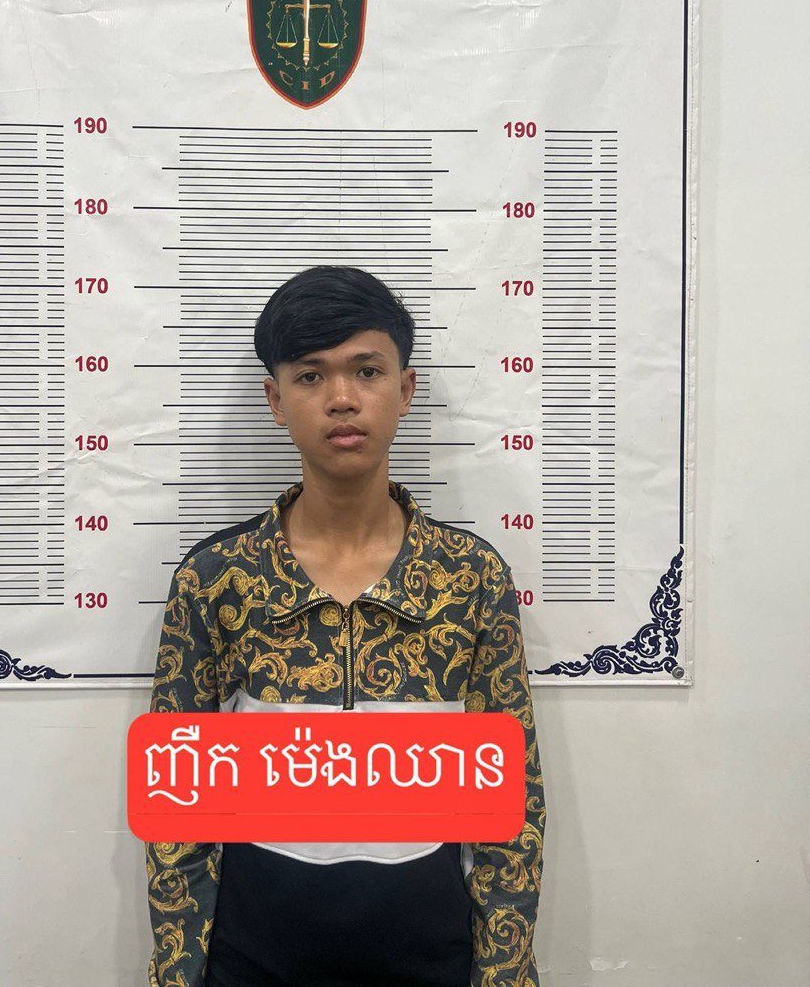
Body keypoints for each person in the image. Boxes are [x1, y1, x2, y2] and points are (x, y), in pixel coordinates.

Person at [145, 265, 546, 987]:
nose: (341, 398)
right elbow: (178, 811)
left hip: (433, 955)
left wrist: (505, 971)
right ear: (275, 400)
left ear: (406, 389)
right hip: (252, 956)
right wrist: (179, 973)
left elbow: (510, 805)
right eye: (310, 376)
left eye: (367, 371)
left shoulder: (469, 578)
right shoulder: (218, 580)